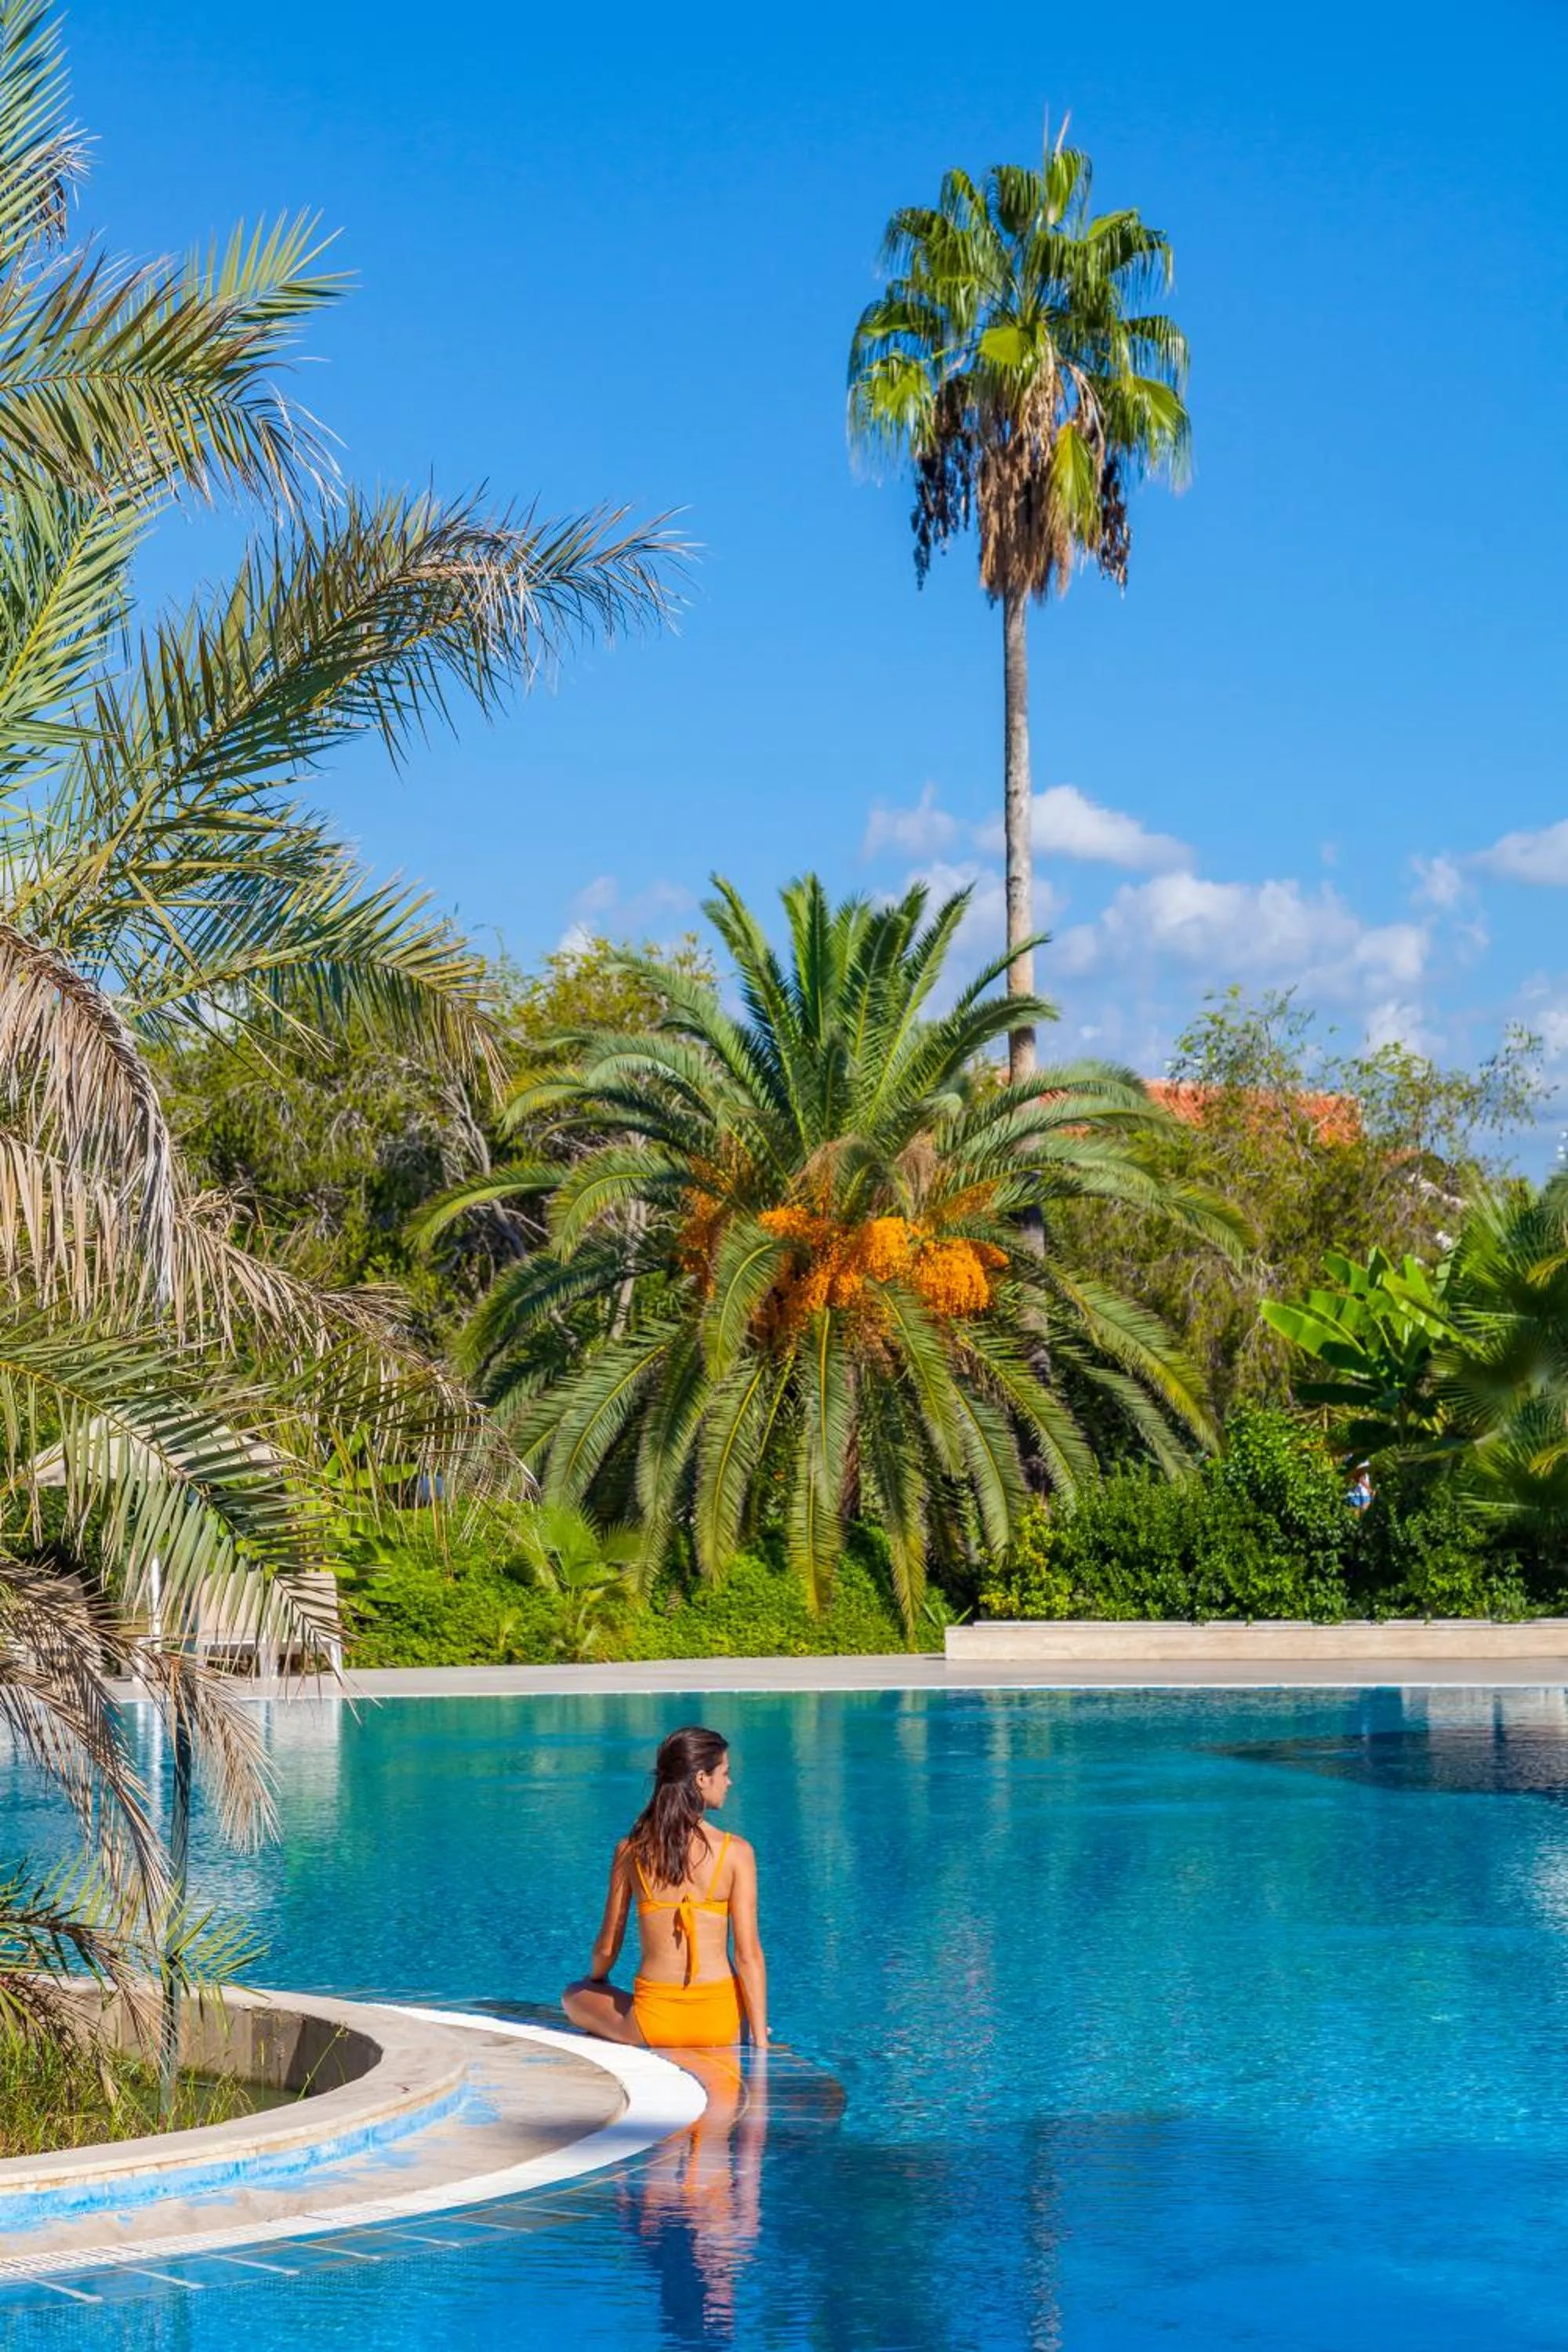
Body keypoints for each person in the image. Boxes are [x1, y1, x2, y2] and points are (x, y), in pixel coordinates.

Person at [562, 1724, 768, 2050]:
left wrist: (596, 1980)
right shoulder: (737, 1852)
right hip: (721, 2023)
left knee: (573, 1994)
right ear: (702, 1778)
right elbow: (748, 1956)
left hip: (654, 2024)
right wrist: (759, 2043)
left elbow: (607, 1948)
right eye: (725, 1773)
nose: (729, 1782)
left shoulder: (631, 1850)